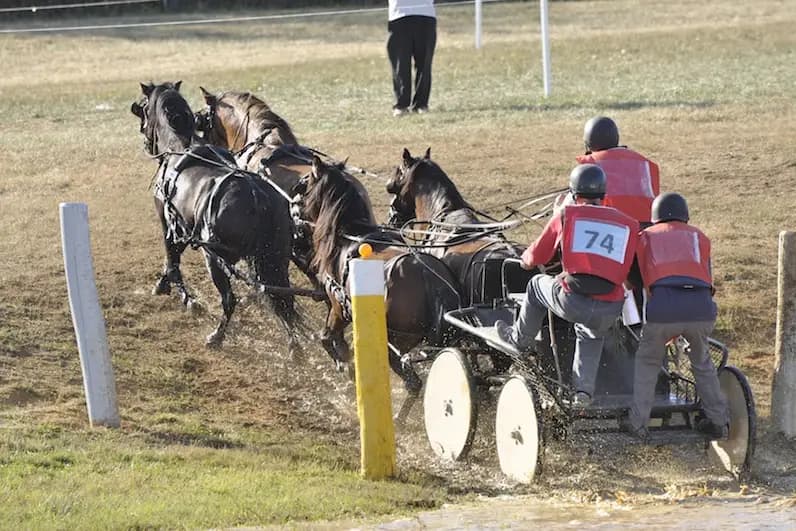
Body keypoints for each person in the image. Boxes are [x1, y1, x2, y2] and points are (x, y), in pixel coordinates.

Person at [495, 164, 639, 406]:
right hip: (610, 307)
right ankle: (583, 393)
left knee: (535, 284)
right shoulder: (628, 224)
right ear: (603, 196)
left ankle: (519, 339)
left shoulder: (566, 215)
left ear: (573, 194)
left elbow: (534, 259)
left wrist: (525, 259)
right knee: (590, 333)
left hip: (573, 301)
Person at [623, 192, 729, 441]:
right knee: (702, 363)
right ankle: (718, 421)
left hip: (664, 310)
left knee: (648, 363)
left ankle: (638, 424)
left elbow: (634, 281)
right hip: (702, 309)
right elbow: (706, 276)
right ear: (686, 216)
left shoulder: (645, 237)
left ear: (654, 218)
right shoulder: (700, 238)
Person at [577, 116, 660, 226]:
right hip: (645, 228)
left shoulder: (590, 164)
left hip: (610, 226)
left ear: (588, 143)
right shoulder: (647, 164)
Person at [387, 0, 436, 116]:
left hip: (425, 14)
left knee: (424, 64)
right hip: (399, 16)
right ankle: (401, 105)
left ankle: (421, 104)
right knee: (401, 64)